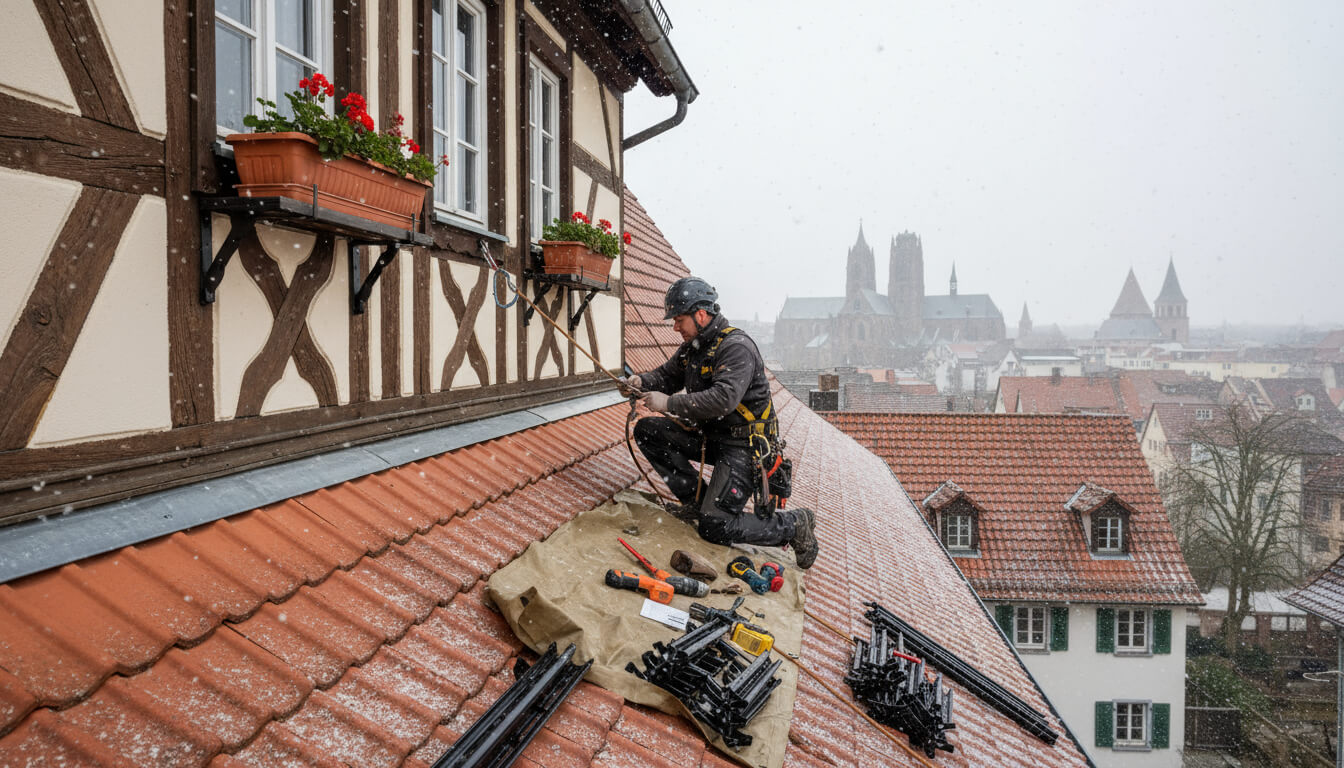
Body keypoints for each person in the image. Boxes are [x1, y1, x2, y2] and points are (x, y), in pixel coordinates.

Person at [620, 276, 819, 569]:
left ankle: (793, 525)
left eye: (679, 319)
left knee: (716, 527)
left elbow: (722, 399)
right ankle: (697, 504)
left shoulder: (736, 347)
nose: (675, 327)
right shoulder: (695, 347)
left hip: (745, 448)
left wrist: (668, 403)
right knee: (648, 431)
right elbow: (666, 376)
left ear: (701, 315)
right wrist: (640, 382)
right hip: (713, 438)